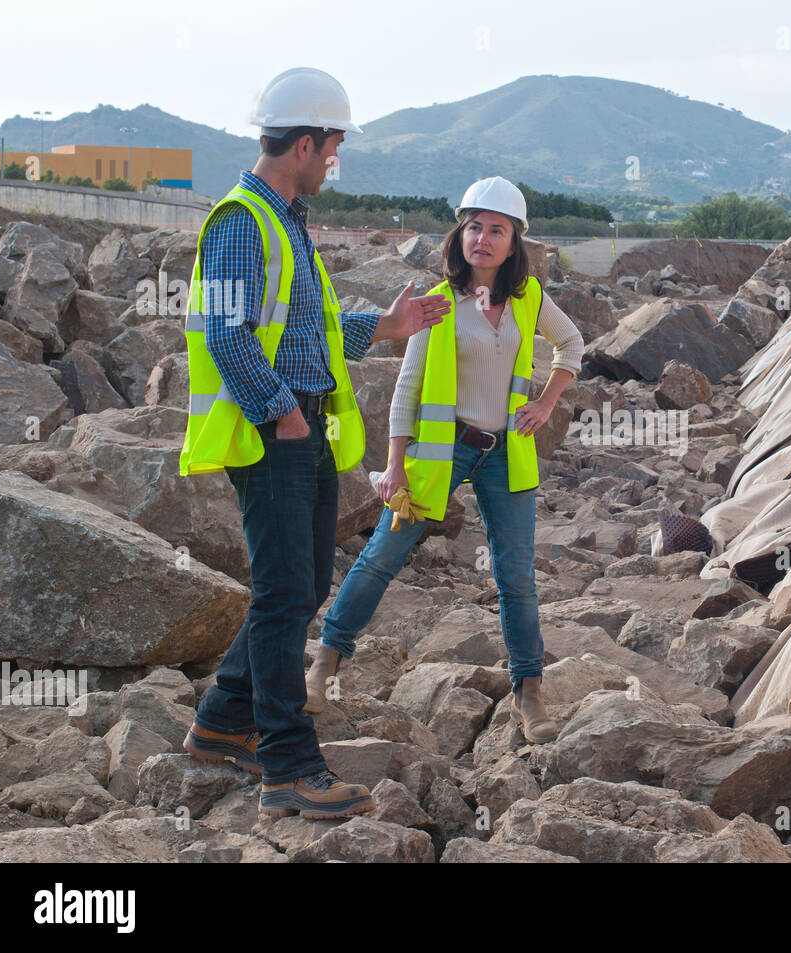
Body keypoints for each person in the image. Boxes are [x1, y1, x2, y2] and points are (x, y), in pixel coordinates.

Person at [177, 67, 450, 818]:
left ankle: (224, 719)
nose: (335, 159)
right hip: (274, 430)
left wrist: (388, 327)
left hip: (304, 423)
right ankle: (289, 767)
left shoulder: (287, 219)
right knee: (281, 594)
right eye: (331, 147)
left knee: (303, 588)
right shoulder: (240, 222)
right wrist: (280, 412)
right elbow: (228, 333)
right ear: (303, 144)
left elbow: (310, 336)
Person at [310, 176, 584, 742]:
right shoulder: (438, 303)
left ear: (515, 243)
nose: (482, 239)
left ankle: (529, 691)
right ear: (460, 233)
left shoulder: (529, 298)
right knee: (384, 553)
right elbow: (407, 387)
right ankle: (325, 662)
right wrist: (392, 465)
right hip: (443, 452)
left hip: (505, 452)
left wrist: (546, 402)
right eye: (474, 227)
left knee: (515, 576)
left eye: (497, 230)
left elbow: (572, 344)